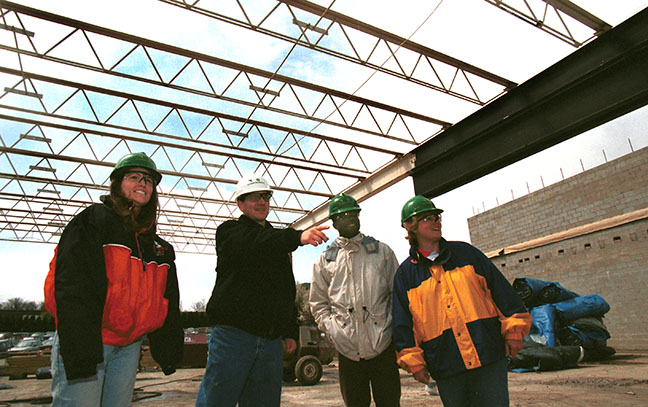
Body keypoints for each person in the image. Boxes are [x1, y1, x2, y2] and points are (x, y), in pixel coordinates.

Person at [43, 152, 184, 406]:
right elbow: (70, 284)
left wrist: (168, 350)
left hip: (128, 346)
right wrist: (80, 346)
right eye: (134, 177)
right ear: (117, 183)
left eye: (149, 180)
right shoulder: (93, 221)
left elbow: (167, 300)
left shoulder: (155, 246)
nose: (143, 183)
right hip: (90, 340)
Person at [196, 173, 329, 407]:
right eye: (254, 197)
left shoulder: (276, 242)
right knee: (217, 400)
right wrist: (297, 236)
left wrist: (288, 330)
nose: (261, 202)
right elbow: (255, 243)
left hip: (269, 342)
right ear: (240, 204)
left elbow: (285, 289)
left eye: (266, 197)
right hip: (233, 337)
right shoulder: (229, 233)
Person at [392, 196, 532, 407]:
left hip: (488, 354)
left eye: (437, 217)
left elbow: (503, 295)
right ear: (411, 227)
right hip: (446, 362)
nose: (436, 222)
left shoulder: (467, 254)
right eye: (427, 218)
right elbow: (403, 325)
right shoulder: (405, 275)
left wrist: (514, 331)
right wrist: (414, 362)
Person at [310, 193, 401, 407]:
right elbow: (318, 304)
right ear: (333, 223)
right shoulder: (325, 261)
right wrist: (334, 330)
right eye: (342, 216)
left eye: (353, 213)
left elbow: (397, 296)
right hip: (348, 350)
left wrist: (389, 327)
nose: (349, 218)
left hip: (382, 346)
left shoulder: (381, 252)